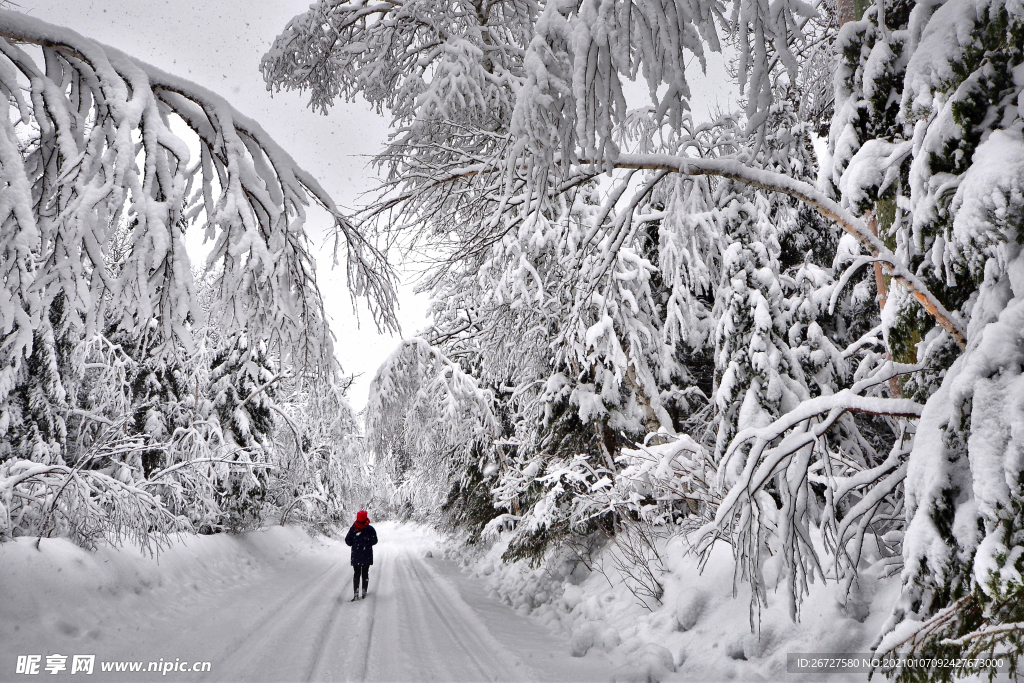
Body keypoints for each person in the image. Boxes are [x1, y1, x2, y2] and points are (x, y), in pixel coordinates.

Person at [345, 510, 378, 601]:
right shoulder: (370, 529)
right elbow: (375, 541)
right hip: (366, 554)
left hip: (356, 555)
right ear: (366, 517)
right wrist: (367, 543)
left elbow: (348, 541)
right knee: (365, 573)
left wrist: (356, 543)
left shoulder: (354, 528)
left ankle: (356, 594)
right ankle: (364, 592)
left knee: (356, 574)